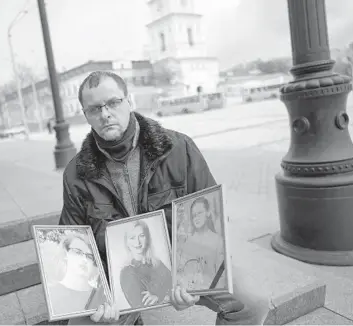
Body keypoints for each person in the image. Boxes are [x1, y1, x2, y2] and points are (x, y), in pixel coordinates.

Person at [59, 71, 268, 325]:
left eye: (113, 103)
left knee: (253, 302)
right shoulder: (75, 174)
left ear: (129, 101)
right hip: (118, 274)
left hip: (184, 265)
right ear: (86, 115)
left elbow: (209, 220)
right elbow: (75, 245)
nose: (105, 114)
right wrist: (96, 293)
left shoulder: (178, 148)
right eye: (94, 109)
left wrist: (191, 280)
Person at [47, 233, 107, 316]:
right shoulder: (51, 292)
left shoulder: (100, 294)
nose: (84, 259)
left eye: (89, 256)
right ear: (65, 253)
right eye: (78, 252)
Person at [176, 196, 225, 291]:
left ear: (208, 213)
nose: (196, 218)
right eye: (194, 215)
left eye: (199, 213)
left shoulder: (218, 241)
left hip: (210, 292)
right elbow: (181, 271)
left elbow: (221, 277)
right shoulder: (188, 241)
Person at [120, 220, 172, 309]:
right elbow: (142, 305)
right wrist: (165, 296)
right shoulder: (127, 273)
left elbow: (175, 285)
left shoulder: (157, 263)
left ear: (147, 238)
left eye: (141, 236)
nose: (137, 242)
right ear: (127, 242)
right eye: (132, 238)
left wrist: (158, 297)